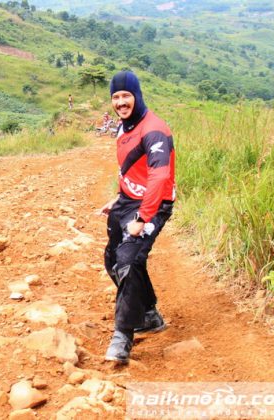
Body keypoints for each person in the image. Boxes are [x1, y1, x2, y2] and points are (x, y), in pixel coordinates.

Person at [96, 70, 176, 363]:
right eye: (115, 97)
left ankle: (123, 336)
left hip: (153, 204)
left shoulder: (154, 130)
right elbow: (130, 169)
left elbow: (159, 176)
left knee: (128, 260)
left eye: (126, 96)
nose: (120, 102)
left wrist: (142, 218)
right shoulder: (123, 126)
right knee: (112, 259)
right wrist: (119, 197)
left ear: (137, 95)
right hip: (128, 200)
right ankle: (149, 315)